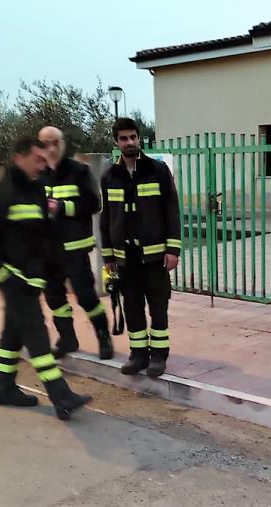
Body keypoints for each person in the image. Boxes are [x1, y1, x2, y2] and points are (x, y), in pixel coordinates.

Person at [0, 136, 92, 420]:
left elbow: (42, 233)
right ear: (20, 156)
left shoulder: (37, 187)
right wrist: (4, 278)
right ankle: (61, 396)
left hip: (32, 278)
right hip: (14, 280)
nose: (43, 164)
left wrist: (52, 266)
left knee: (13, 333)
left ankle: (4, 388)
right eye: (38, 159)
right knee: (37, 336)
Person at [99, 118, 181, 377]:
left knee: (158, 306)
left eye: (133, 137)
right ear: (116, 142)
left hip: (155, 256)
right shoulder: (110, 176)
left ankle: (158, 356)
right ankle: (138, 355)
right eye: (123, 138)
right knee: (132, 306)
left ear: (139, 138)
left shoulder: (158, 170)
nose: (129, 142)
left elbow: (172, 211)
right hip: (125, 258)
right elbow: (105, 218)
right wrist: (108, 256)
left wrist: (173, 249)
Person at [37, 126, 113, 360]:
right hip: (47, 250)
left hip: (74, 248)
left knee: (86, 296)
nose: (51, 148)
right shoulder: (36, 174)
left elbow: (93, 204)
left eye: (55, 143)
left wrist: (62, 208)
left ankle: (103, 338)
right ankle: (67, 339)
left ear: (63, 143)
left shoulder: (79, 171)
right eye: (46, 143)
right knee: (54, 297)